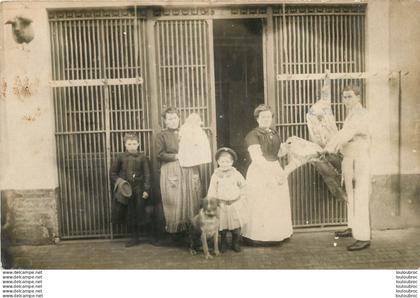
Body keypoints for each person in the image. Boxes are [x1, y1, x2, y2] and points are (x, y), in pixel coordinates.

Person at [325, 85, 371, 251]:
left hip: (359, 158)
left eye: (350, 97)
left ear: (358, 97)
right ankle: (353, 227)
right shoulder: (351, 113)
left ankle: (363, 236)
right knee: (350, 193)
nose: (346, 100)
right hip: (350, 157)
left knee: (360, 195)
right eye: (344, 97)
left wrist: (329, 147)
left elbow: (346, 134)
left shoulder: (361, 114)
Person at [241, 104, 293, 244]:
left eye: (268, 116)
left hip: (275, 167)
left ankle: (277, 234)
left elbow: (278, 153)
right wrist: (272, 174)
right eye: (262, 117)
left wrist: (287, 146)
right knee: (261, 202)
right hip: (260, 170)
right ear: (257, 118)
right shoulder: (253, 135)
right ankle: (259, 237)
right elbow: (257, 157)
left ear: (272, 118)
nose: (266, 119)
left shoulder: (274, 133)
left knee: (276, 201)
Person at [155, 107, 203, 243]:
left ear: (179, 118)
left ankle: (192, 234)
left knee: (191, 198)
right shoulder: (161, 135)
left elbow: (197, 147)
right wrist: (177, 156)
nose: (173, 121)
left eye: (175, 117)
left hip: (189, 168)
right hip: (172, 169)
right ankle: (176, 235)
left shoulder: (187, 131)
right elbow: (159, 154)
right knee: (175, 201)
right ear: (165, 121)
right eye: (169, 118)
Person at [109, 133, 152, 247]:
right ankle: (133, 237)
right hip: (126, 191)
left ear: (138, 144)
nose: (132, 146)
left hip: (139, 189)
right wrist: (121, 183)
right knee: (129, 213)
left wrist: (146, 190)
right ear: (125, 145)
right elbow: (113, 173)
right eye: (129, 144)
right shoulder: (120, 157)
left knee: (140, 212)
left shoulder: (143, 157)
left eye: (134, 144)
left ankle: (144, 237)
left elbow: (148, 175)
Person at [207, 147, 248, 252]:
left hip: (234, 204)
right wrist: (212, 202)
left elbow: (243, 186)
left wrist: (242, 198)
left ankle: (235, 243)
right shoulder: (215, 176)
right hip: (222, 205)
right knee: (222, 226)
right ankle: (223, 243)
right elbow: (212, 190)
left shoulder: (236, 174)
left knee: (236, 226)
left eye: (227, 161)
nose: (225, 164)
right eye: (222, 161)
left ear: (232, 162)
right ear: (218, 162)